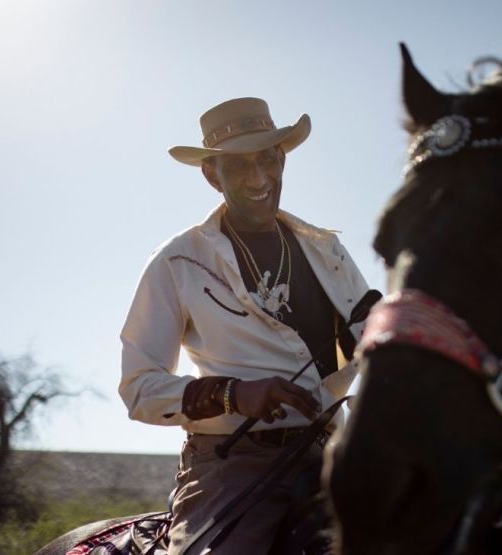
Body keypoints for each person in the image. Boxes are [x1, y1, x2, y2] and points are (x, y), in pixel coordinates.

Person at [119, 97, 371, 554]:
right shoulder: (177, 262)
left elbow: (371, 341)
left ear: (283, 158)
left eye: (267, 159)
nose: (258, 179)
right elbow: (139, 389)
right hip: (233, 463)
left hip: (335, 450)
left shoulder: (328, 251)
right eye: (238, 167)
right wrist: (233, 394)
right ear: (211, 175)